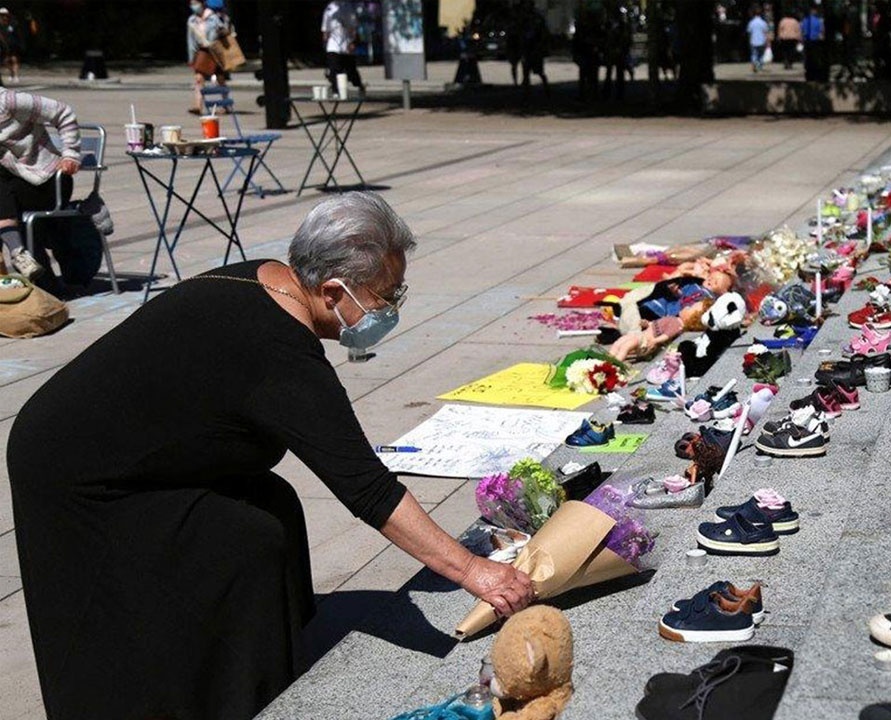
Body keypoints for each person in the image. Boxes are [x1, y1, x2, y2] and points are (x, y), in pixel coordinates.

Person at [9, 192, 534, 719]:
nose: (391, 309)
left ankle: (262, 665)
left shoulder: (270, 278)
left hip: (107, 447)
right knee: (245, 540)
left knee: (271, 501)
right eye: (385, 295)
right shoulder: (282, 354)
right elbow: (367, 488)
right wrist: (472, 571)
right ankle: (226, 694)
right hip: (80, 475)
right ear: (333, 290)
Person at [0, 89, 78, 280]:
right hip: (13, 186)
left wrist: (70, 154)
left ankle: (17, 252)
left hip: (48, 181)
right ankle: (20, 257)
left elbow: (64, 113)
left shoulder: (9, 101)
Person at [186, 0, 225, 114]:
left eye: (195, 3)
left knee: (220, 79)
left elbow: (222, 31)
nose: (194, 6)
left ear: (202, 3)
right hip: (202, 51)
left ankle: (224, 104)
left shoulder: (213, 17)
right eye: (191, 3)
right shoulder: (192, 20)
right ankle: (198, 106)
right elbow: (190, 41)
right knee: (199, 78)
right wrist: (191, 58)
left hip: (215, 51)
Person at [323, 0, 366, 96]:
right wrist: (325, 43)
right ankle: (335, 91)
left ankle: (359, 86)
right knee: (334, 68)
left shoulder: (348, 6)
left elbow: (353, 27)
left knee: (351, 69)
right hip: (333, 43)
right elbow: (326, 28)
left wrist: (352, 42)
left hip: (346, 42)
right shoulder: (330, 7)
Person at [800, 2, 825, 82]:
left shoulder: (805, 20)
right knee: (815, 58)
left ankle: (809, 74)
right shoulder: (818, 21)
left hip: (807, 41)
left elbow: (802, 31)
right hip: (816, 41)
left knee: (807, 58)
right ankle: (815, 73)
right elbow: (821, 31)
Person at [0, 8, 23, 84]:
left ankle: (16, 76)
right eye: (2, 15)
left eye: (5, 15)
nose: (4, 16)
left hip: (13, 45)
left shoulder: (13, 24)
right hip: (3, 46)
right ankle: (12, 73)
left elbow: (18, 34)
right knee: (5, 61)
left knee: (14, 60)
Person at [746, 6, 769, 73]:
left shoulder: (751, 22)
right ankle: (760, 67)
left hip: (753, 41)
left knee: (754, 54)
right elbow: (766, 33)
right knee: (761, 55)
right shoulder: (763, 23)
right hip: (762, 41)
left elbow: (749, 32)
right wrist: (767, 41)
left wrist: (749, 40)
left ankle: (754, 65)